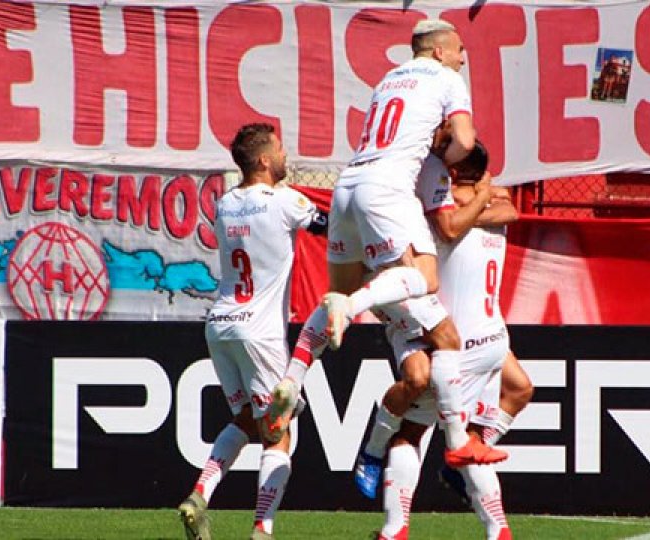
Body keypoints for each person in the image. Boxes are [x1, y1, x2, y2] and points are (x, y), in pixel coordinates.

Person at [267, 19, 502, 468]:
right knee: (424, 279)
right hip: (387, 187)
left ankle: (293, 379)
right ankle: (454, 438)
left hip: (348, 185)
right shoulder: (447, 78)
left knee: (336, 293)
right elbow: (467, 142)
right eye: (458, 50)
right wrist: (447, 157)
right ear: (438, 52)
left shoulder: (388, 79)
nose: (462, 58)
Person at [354, 142, 533, 502]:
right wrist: (476, 200)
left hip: (453, 319)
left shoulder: (462, 196)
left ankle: (460, 460)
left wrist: (476, 202)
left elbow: (508, 208)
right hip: (407, 300)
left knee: (519, 389)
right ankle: (372, 452)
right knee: (417, 388)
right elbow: (449, 224)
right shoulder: (412, 188)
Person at [177, 123, 328, 540]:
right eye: (279, 150)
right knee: (278, 434)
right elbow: (327, 226)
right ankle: (263, 527)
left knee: (246, 418)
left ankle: (199, 493)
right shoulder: (285, 201)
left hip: (221, 324)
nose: (285, 157)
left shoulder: (225, 203)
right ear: (264, 160)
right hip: (259, 333)